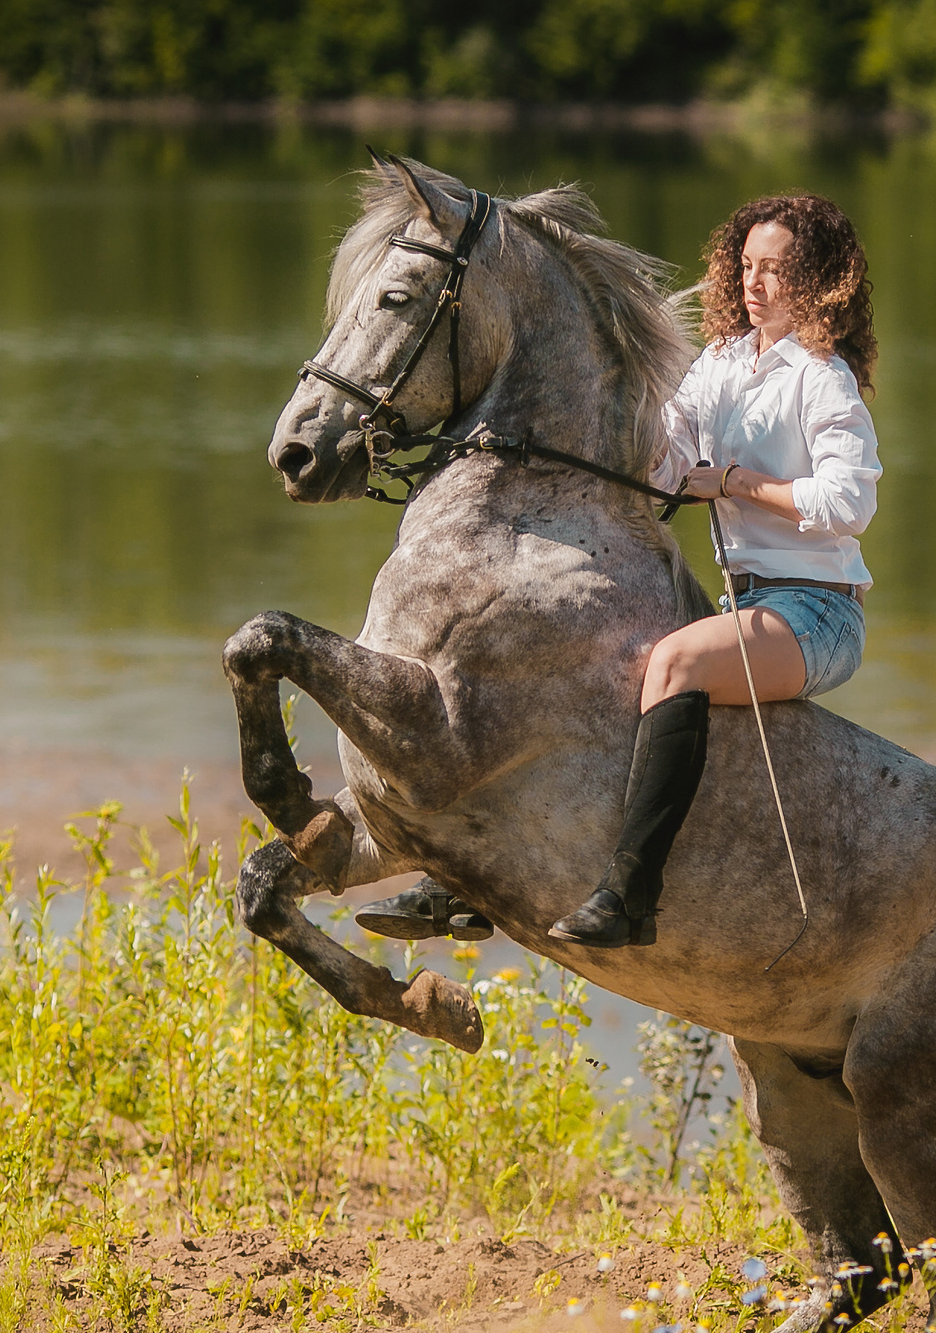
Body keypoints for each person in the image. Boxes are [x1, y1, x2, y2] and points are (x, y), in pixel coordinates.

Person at [357, 193, 881, 949]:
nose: (754, 284)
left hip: (816, 614)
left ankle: (631, 898)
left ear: (820, 280)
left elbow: (846, 504)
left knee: (673, 664)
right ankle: (473, 878)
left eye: (777, 270)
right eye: (746, 267)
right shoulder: (724, 363)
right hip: (744, 607)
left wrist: (731, 481)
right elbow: (668, 462)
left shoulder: (822, 379)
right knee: (579, 664)